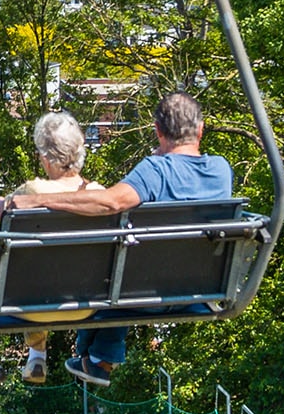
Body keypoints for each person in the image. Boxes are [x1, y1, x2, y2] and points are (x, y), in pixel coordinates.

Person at [23, 91, 234, 387]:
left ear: (158, 131)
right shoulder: (221, 170)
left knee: (106, 268)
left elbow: (108, 203)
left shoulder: (155, 171)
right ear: (200, 130)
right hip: (201, 291)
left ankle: (96, 358)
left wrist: (34, 202)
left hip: (145, 294)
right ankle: (96, 359)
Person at [0, 110, 98, 392]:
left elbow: (1, 209)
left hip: (34, 306)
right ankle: (36, 356)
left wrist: (1, 202)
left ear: (46, 158)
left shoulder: (34, 190)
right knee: (48, 272)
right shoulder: (99, 193)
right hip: (86, 305)